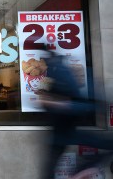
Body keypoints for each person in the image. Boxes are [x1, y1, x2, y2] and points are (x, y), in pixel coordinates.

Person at [39, 50, 113, 179]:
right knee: (50, 169)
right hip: (62, 133)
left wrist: (62, 105)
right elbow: (44, 96)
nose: (77, 76)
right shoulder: (58, 77)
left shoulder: (86, 86)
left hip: (73, 134)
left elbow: (92, 107)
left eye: (79, 74)